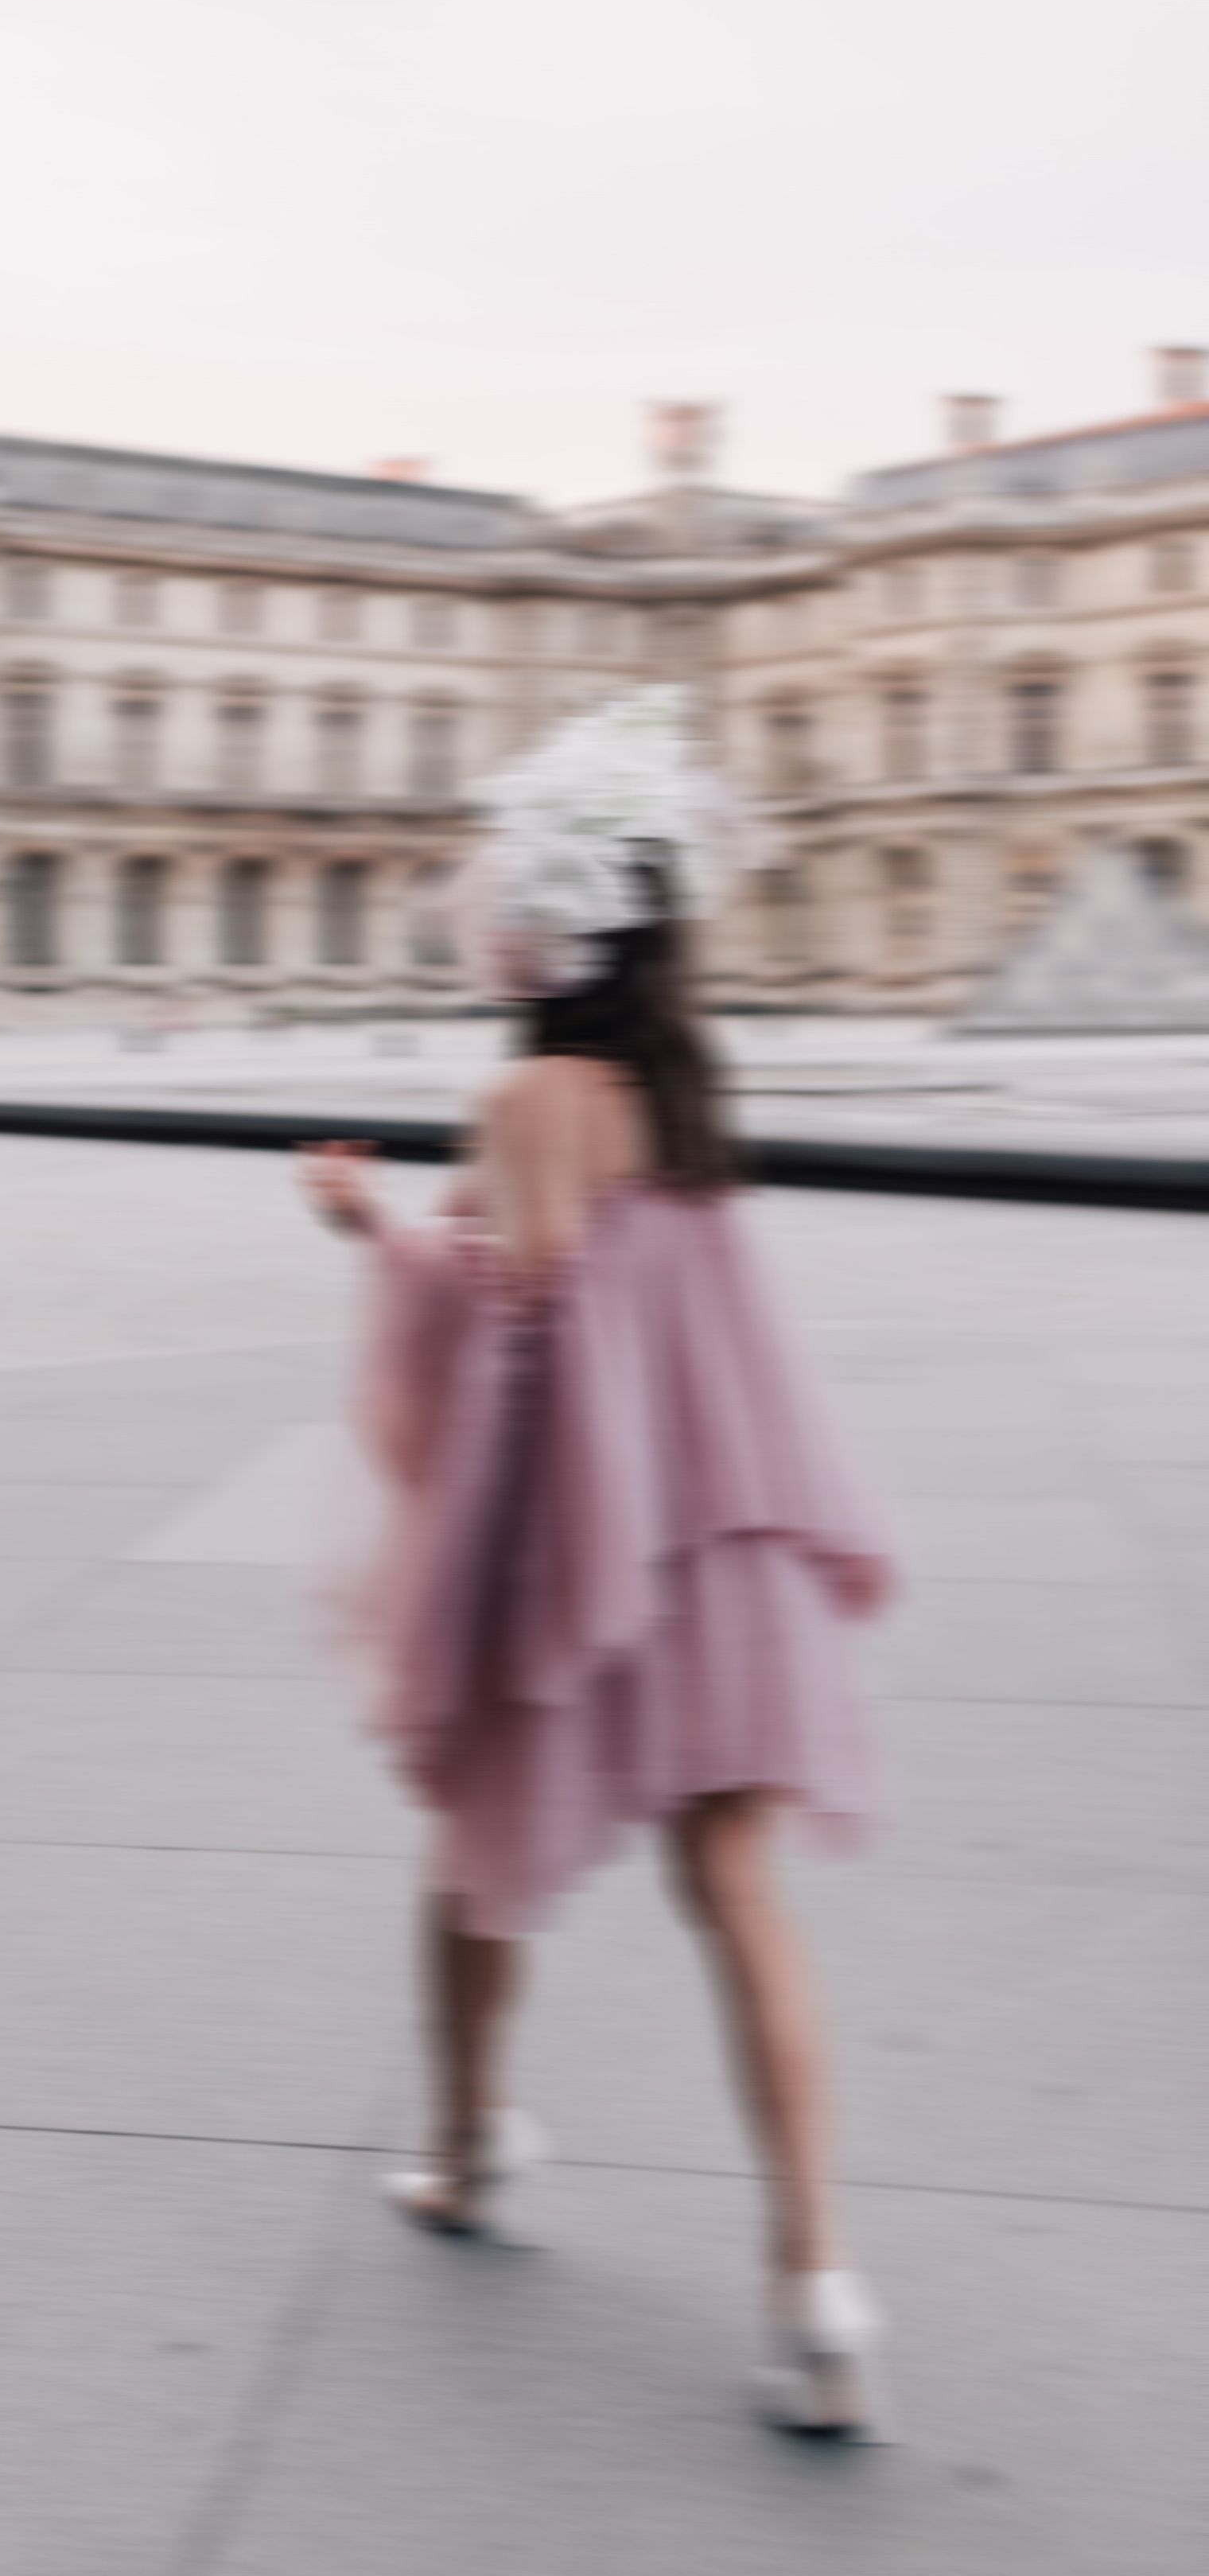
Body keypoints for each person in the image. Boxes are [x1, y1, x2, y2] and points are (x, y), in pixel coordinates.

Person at [299, 689, 900, 2441]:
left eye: (504, 893)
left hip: (586, 1556)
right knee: (739, 1899)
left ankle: (466, 2144)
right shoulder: (680, 1097)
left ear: (555, 923)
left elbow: (507, 1327)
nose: (483, 913)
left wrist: (368, 1233)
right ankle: (818, 2282)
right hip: (725, 1558)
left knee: (464, 1852)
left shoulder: (529, 1096)